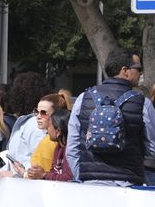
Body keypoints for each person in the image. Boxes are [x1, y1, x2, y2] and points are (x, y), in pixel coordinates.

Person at [66, 49, 155, 185]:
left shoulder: (83, 98)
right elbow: (151, 147)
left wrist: (82, 176)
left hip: (90, 184)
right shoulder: (142, 103)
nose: (141, 73)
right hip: (128, 183)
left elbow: (72, 147)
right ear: (125, 70)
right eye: (138, 68)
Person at [26, 108, 73, 181]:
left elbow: (68, 178)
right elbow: (54, 172)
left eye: (49, 126)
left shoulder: (71, 150)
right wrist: (40, 173)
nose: (47, 128)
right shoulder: (59, 147)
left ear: (58, 131)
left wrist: (43, 175)